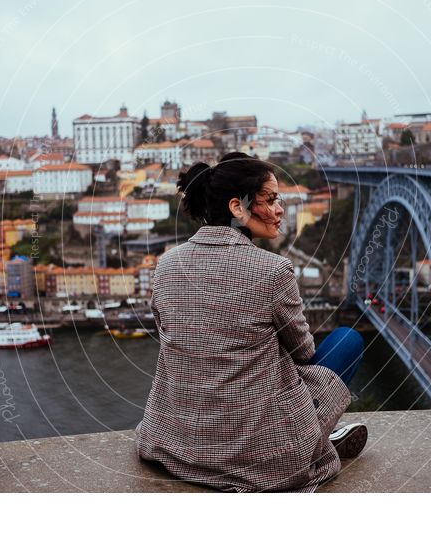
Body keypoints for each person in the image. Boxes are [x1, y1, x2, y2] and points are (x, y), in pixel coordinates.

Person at [134, 151, 367, 493]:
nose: (279, 209)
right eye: (271, 199)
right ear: (237, 208)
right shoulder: (272, 270)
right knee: (347, 341)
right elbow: (304, 351)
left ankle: (319, 430)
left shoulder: (167, 264)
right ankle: (316, 434)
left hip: (176, 441)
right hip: (258, 453)